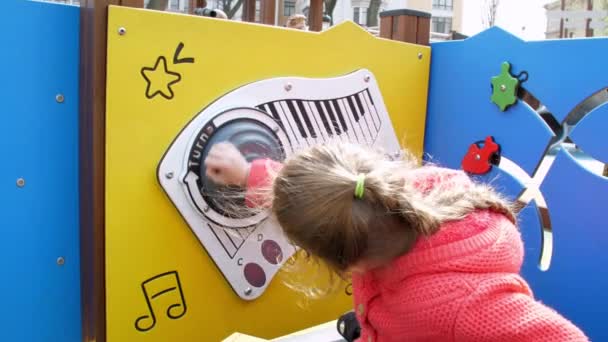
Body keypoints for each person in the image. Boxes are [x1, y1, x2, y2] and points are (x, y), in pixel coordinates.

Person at [204, 142, 588, 342]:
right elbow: (325, 192)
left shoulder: (462, 306)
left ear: (346, 263)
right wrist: (248, 174)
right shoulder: (386, 196)